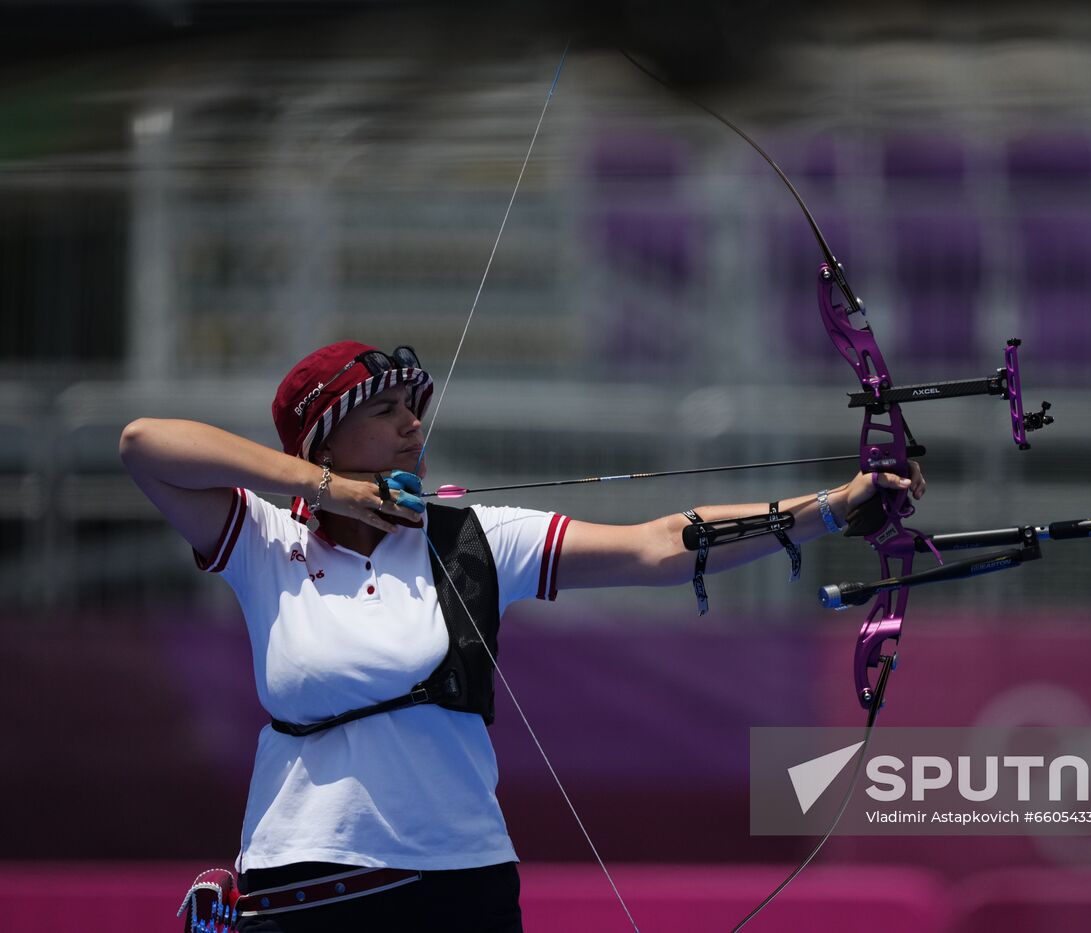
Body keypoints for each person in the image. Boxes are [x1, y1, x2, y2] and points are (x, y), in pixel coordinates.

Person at [120, 340, 925, 932]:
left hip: (461, 881)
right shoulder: (267, 540)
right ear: (324, 437)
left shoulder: (470, 535)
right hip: (305, 881)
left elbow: (657, 544)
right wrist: (324, 489)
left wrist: (830, 508)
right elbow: (143, 445)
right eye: (384, 411)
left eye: (414, 410)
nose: (412, 426)